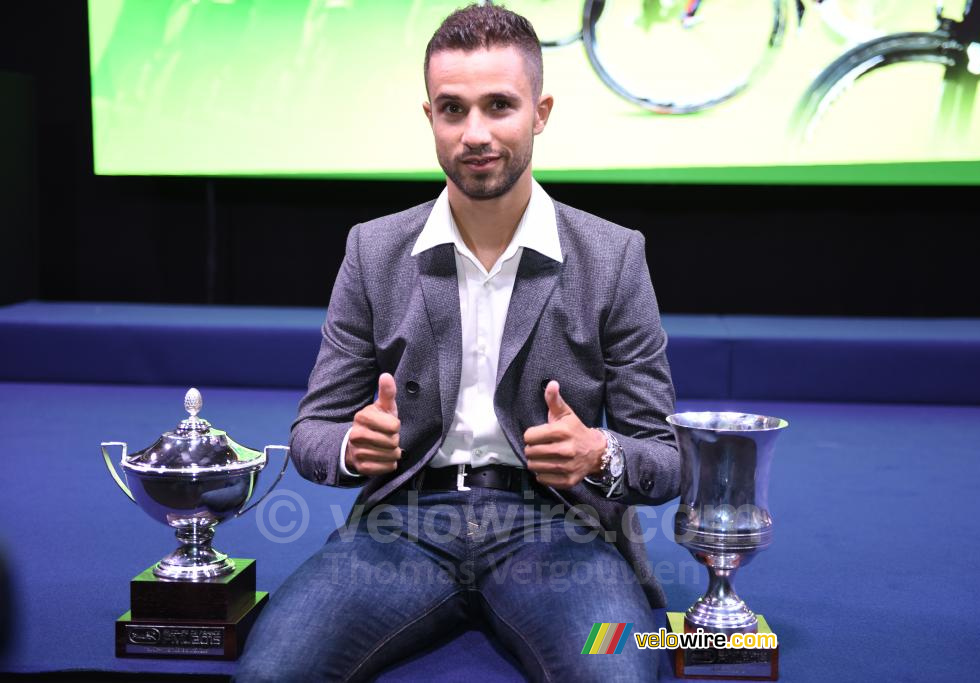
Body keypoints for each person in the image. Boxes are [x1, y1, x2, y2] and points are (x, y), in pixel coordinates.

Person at [234, 5, 679, 682]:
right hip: (403, 526)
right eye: (453, 109)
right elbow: (310, 435)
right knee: (270, 673)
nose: (475, 133)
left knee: (617, 675)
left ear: (541, 111)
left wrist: (601, 453)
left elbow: (666, 456)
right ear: (430, 117)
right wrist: (353, 448)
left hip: (559, 530)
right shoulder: (373, 248)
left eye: (499, 105)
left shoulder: (613, 256)